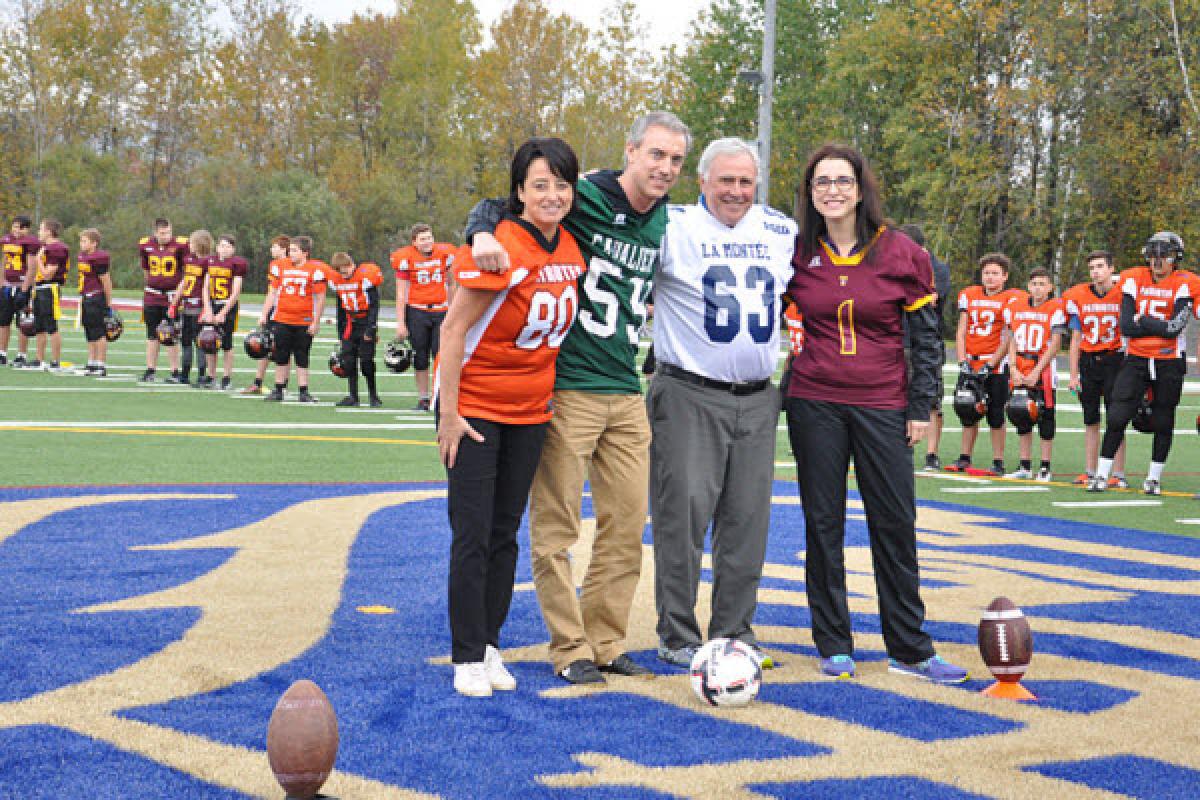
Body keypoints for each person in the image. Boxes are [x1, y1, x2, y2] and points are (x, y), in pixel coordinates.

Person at [466, 111, 690, 685]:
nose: (665, 168)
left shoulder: (669, 219)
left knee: (625, 526)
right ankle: (569, 647)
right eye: (656, 155)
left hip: (627, 388)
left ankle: (607, 640)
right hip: (568, 387)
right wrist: (480, 231)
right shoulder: (585, 194)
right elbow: (503, 204)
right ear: (631, 151)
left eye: (676, 160)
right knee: (556, 529)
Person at [784, 142, 968, 684]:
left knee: (894, 522)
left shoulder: (901, 253)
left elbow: (926, 337)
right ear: (809, 192)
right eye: (821, 182)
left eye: (842, 181)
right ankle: (835, 642)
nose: (832, 191)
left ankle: (909, 647)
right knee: (823, 524)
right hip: (814, 401)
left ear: (861, 189)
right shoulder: (796, 252)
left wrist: (921, 405)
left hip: (883, 402)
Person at [437, 137, 588, 697]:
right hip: (476, 407)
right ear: (519, 191)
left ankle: (491, 644)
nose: (552, 194)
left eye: (561, 184)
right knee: (472, 534)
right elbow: (453, 331)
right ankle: (465, 654)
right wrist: (448, 415)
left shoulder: (572, 246)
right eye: (540, 184)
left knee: (505, 534)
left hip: (530, 411)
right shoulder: (499, 244)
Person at [649, 137, 796, 670]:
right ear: (703, 181)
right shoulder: (672, 225)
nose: (736, 191)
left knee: (747, 523)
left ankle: (735, 631)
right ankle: (679, 634)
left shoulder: (780, 230)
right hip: (690, 391)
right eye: (726, 180)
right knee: (681, 519)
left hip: (758, 399)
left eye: (746, 181)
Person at [1089, 231, 1191, 495]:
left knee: (1164, 419)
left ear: (1175, 258)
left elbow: (1173, 329)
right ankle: (1101, 474)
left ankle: (1153, 478)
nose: (1157, 261)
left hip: (1169, 360)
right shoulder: (1134, 277)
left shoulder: (1185, 283)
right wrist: (1155, 326)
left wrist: (1144, 321)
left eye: (1164, 255)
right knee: (1117, 415)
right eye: (1153, 255)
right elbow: (1125, 326)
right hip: (1136, 359)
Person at [948, 254, 1020, 476]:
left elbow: (1009, 335)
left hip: (996, 364)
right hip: (971, 359)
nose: (989, 277)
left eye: (995, 273)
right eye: (986, 273)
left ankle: (998, 460)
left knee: (996, 414)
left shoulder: (1012, 298)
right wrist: (962, 361)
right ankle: (964, 457)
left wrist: (991, 363)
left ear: (1005, 276)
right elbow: (961, 330)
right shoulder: (969, 294)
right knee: (967, 408)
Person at [1064, 251, 1127, 487]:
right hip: (1089, 361)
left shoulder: (1124, 294)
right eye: (1092, 267)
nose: (1096, 272)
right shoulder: (1079, 295)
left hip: (1115, 360)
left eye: (1100, 266)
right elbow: (1075, 339)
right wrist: (1072, 374)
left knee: (1116, 418)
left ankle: (1118, 473)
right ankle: (1090, 470)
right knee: (1090, 419)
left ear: (1112, 268)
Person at [1002, 267, 1067, 481]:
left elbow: (1056, 344)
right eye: (1034, 284)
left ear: (1050, 288)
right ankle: (1024, 465)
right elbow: (1010, 339)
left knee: (1045, 416)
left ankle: (1045, 466)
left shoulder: (1055, 309)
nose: (1037, 288)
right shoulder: (1015, 307)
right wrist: (1013, 367)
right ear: (1028, 287)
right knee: (1020, 412)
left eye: (1042, 284)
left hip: (1043, 368)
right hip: (1020, 364)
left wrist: (1037, 372)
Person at [896, 224, 952, 471]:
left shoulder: (935, 268)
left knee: (930, 398)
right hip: (898, 339)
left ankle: (932, 453)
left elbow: (930, 297)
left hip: (924, 342)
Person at [392, 224, 455, 411]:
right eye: (423, 239)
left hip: (441, 311)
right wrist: (401, 323)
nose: (427, 242)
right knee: (420, 356)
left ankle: (441, 397)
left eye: (429, 237)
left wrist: (453, 312)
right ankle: (423, 398)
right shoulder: (405, 258)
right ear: (414, 242)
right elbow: (401, 294)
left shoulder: (445, 254)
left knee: (441, 356)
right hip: (417, 311)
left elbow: (452, 285)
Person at [260, 235, 327, 403]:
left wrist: (316, 321)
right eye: (290, 250)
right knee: (281, 355)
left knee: (302, 356)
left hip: (303, 319)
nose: (291, 253)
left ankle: (303, 391)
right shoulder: (280, 266)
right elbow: (272, 292)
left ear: (305, 252)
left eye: (295, 250)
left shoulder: (315, 270)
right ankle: (278, 389)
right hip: (282, 318)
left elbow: (320, 297)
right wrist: (264, 313)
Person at [328, 252, 384, 407]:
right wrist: (340, 331)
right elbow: (340, 307)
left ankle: (373, 395)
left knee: (366, 361)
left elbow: (374, 304)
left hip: (365, 321)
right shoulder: (337, 280)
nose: (344, 274)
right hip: (349, 323)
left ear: (352, 264)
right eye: (341, 271)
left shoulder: (364, 277)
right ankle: (353, 396)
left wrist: (371, 328)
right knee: (348, 360)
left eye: (346, 269)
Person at [137, 218, 189, 383]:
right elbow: (146, 271)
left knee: (171, 334)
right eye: (162, 233)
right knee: (152, 334)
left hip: (172, 296)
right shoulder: (145, 245)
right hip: (152, 295)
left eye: (168, 232)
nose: (166, 236)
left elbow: (186, 271)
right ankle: (150, 369)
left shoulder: (181, 245)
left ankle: (174, 371)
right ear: (155, 232)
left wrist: (178, 296)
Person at [242, 235, 290, 394]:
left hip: (286, 310)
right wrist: (264, 312)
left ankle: (282, 385)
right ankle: (258, 382)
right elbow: (271, 291)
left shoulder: (291, 264)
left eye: (275, 246)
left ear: (284, 249)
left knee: (283, 348)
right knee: (264, 345)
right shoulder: (274, 264)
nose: (272, 249)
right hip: (274, 309)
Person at [200, 235, 247, 390]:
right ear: (217, 247)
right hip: (212, 305)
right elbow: (205, 288)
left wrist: (223, 312)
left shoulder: (237, 264)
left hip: (227, 305)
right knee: (208, 342)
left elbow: (236, 292)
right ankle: (211, 376)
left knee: (227, 343)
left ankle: (226, 377)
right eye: (221, 245)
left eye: (227, 246)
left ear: (233, 249)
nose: (224, 249)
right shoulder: (210, 261)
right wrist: (207, 309)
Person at [170, 230, 213, 386]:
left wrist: (206, 309)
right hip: (187, 305)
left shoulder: (209, 262)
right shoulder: (189, 259)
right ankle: (184, 373)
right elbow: (184, 282)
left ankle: (202, 375)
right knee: (185, 341)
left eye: (192, 243)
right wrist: (174, 302)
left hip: (199, 306)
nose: (189, 245)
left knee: (200, 342)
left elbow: (207, 288)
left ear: (200, 244)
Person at [0, 215, 40, 367]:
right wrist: (1, 281)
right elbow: (4, 262)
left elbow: (32, 268)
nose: (16, 230)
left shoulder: (29, 243)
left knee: (23, 322)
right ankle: (2, 353)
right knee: (3, 321)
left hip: (21, 285)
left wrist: (24, 289)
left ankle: (21, 355)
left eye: (20, 227)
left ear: (27, 229)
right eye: (15, 226)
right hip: (7, 285)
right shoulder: (7, 240)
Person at [31, 218, 70, 370]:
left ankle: (55, 360)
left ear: (49, 231)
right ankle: (39, 359)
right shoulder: (46, 247)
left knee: (51, 325)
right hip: (40, 288)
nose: (39, 232)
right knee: (39, 326)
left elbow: (48, 274)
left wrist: (38, 259)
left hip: (50, 288)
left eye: (41, 229)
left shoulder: (57, 248)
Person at [76, 228, 113, 376]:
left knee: (99, 332)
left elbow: (106, 282)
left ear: (94, 243)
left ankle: (101, 364)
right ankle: (91, 362)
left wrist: (108, 303)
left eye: (84, 241)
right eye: (81, 240)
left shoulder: (99, 257)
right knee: (89, 331)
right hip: (86, 297)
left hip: (96, 297)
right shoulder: (82, 256)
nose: (81, 244)